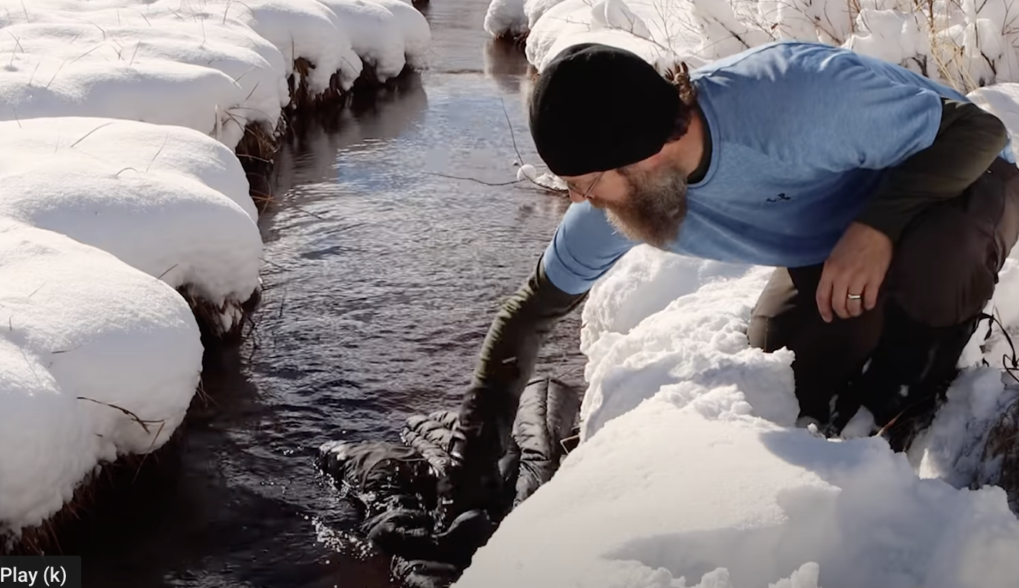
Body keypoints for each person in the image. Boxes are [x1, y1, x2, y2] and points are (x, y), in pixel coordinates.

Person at [435, 40, 1019, 525]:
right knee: (784, 368)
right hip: (833, 235)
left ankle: (912, 400)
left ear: (644, 157)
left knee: (944, 257)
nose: (577, 201)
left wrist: (876, 226)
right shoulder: (622, 201)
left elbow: (979, 133)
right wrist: (476, 442)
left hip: (959, 178)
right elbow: (533, 311)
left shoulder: (795, 100)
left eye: (584, 183)